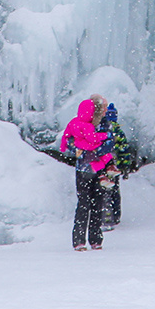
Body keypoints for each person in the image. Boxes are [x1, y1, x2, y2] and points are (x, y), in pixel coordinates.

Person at [57, 97, 116, 251]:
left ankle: (96, 239)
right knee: (84, 204)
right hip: (84, 170)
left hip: (98, 170)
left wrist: (95, 150)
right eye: (102, 108)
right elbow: (70, 141)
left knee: (98, 203)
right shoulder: (80, 124)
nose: (105, 111)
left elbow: (109, 142)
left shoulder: (103, 124)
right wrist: (82, 150)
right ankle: (79, 241)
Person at [97, 102, 137, 230]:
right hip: (116, 167)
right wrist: (125, 167)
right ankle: (116, 214)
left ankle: (106, 217)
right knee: (115, 190)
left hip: (104, 164)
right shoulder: (119, 132)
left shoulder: (101, 129)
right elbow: (124, 151)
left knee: (104, 190)